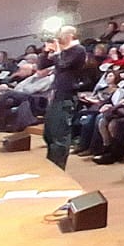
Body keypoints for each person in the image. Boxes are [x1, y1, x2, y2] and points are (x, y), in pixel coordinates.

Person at [43, 26, 89, 169]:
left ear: (70, 35)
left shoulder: (78, 50)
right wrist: (47, 51)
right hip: (56, 95)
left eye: (61, 34)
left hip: (66, 97)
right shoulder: (63, 52)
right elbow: (43, 65)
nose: (58, 36)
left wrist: (57, 51)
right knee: (49, 133)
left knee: (60, 134)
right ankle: (50, 165)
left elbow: (63, 64)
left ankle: (58, 168)